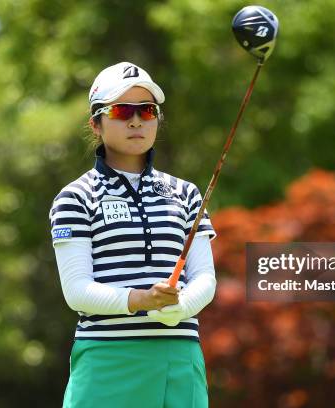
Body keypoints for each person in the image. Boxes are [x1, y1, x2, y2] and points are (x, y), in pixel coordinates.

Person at [49, 61, 217, 408]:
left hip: (179, 358)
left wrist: (180, 306)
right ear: (96, 122)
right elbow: (77, 292)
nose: (137, 120)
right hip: (108, 361)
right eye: (122, 110)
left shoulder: (185, 193)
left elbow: (205, 277)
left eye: (148, 110)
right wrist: (142, 300)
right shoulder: (76, 197)